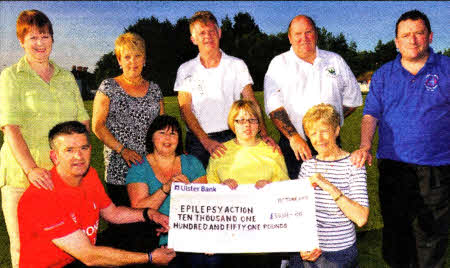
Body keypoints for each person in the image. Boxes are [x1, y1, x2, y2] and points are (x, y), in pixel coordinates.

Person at [351, 10, 449, 268]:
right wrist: (365, 145)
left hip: (437, 167)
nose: (413, 40)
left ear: (430, 36)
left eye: (418, 33)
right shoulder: (384, 74)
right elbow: (370, 114)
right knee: (396, 234)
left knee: (430, 235)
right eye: (406, 35)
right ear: (396, 42)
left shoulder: (446, 68)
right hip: (394, 167)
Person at [17, 121, 175, 267]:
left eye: (83, 148)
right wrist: (149, 258)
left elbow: (113, 213)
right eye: (69, 150)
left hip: (79, 256)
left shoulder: (89, 174)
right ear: (54, 157)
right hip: (61, 264)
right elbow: (89, 256)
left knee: (142, 228)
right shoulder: (41, 197)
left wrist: (150, 214)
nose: (78, 157)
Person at [0, 10, 90, 268]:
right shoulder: (10, 77)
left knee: (67, 250)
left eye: (45, 36)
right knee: (25, 248)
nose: (40, 43)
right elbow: (11, 128)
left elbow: (82, 122)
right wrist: (31, 170)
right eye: (33, 38)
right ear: (21, 41)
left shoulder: (66, 77)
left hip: (63, 179)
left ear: (52, 39)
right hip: (22, 178)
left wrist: (77, 162)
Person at [175, 10, 277, 168]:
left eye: (211, 31)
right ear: (193, 39)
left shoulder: (237, 65)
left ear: (219, 32)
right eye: (202, 33)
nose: (208, 36)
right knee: (201, 189)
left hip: (233, 136)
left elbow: (251, 100)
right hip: (197, 141)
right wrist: (205, 141)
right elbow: (185, 109)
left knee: (234, 186)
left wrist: (263, 133)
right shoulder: (185, 69)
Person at [264, 14, 362, 179]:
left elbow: (353, 99)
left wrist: (328, 121)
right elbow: (273, 106)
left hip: (330, 143)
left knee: (333, 195)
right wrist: (294, 137)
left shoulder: (335, 60)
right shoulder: (279, 64)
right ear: (290, 38)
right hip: (295, 145)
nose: (304, 38)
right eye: (298, 34)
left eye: (308, 32)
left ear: (316, 34)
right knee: (297, 198)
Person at [92, 32, 164, 252]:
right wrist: (122, 150)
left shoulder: (155, 89)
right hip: (119, 171)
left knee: (148, 232)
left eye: (138, 56)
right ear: (119, 59)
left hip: (149, 173)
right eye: (127, 57)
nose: (133, 62)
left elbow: (162, 128)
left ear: (144, 59)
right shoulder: (109, 87)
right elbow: (98, 126)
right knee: (122, 234)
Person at [207, 100, 289, 268]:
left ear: (259, 124)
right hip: (230, 237)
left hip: (266, 236)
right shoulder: (220, 153)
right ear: (232, 124)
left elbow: (286, 191)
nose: (247, 125)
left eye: (252, 120)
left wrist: (270, 187)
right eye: (240, 120)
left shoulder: (273, 152)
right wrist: (221, 190)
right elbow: (208, 194)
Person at [290, 104, 369, 268]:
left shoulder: (353, 164)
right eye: (313, 133)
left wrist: (328, 185)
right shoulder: (307, 166)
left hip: (338, 254)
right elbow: (298, 214)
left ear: (336, 131)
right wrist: (303, 246)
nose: (319, 138)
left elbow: (361, 218)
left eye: (324, 131)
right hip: (309, 250)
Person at [126, 115, 209, 267]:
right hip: (156, 236)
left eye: (173, 133)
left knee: (210, 260)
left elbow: (205, 203)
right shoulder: (139, 167)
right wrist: (166, 188)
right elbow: (138, 209)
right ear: (151, 137)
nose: (168, 138)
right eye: (162, 133)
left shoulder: (192, 163)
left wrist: (189, 190)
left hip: (191, 234)